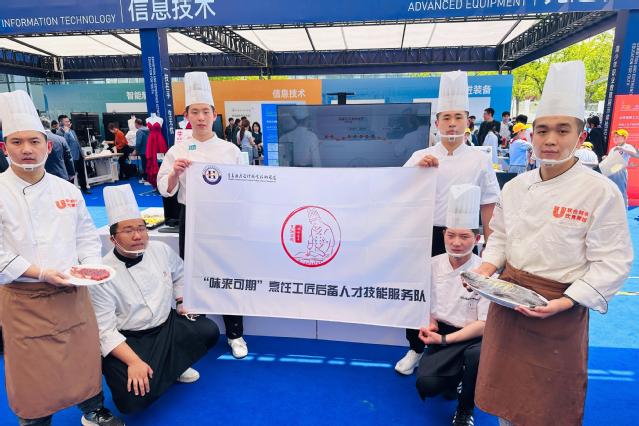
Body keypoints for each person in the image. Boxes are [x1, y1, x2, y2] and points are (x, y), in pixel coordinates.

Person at [472, 61, 632, 426]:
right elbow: (500, 237)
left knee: (548, 403)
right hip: (508, 299)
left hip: (558, 308)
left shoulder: (599, 191)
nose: (550, 139)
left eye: (563, 130)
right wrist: (486, 269)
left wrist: (567, 301)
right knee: (506, 399)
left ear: (580, 136)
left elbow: (613, 261)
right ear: (532, 135)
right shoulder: (516, 187)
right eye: (543, 130)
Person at [0, 90, 124, 426]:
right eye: (17, 142)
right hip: (23, 297)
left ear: (48, 146)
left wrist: (89, 267)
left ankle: (93, 409)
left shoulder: (67, 190)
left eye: (34, 141)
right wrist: (40, 273)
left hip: (72, 291)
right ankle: (35, 420)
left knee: (82, 352)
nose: (26, 149)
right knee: (31, 368)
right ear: (4, 147)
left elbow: (85, 236)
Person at [397, 70, 500, 375]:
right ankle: (415, 348)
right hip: (424, 235)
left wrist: (491, 246)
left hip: (464, 237)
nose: (452, 123)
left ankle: (454, 349)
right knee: (420, 290)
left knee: (462, 294)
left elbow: (489, 204)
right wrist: (417, 171)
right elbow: (397, 193)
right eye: (446, 117)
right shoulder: (421, 155)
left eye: (458, 117)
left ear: (468, 121)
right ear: (437, 122)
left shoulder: (480, 159)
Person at [89, 185, 220, 414]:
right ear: (112, 238)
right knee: (132, 402)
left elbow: (180, 274)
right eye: (128, 230)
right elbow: (105, 331)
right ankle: (160, 368)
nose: (138, 235)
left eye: (141, 228)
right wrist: (134, 362)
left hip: (166, 325)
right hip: (129, 339)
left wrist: (181, 301)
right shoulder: (103, 273)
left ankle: (174, 367)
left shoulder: (160, 250)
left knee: (207, 330)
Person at [157, 71, 249, 359]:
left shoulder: (230, 150)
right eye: (194, 112)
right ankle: (196, 335)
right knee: (192, 275)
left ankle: (235, 334)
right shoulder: (178, 150)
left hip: (224, 220)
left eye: (205, 112)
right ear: (186, 116)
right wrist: (175, 173)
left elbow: (244, 189)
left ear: (214, 115)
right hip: (192, 218)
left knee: (229, 273)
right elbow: (165, 189)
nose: (200, 117)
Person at [416, 185, 488, 426]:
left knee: (476, 357)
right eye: (451, 235)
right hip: (442, 331)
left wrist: (444, 340)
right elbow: (421, 299)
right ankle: (456, 377)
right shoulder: (431, 264)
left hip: (473, 336)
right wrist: (429, 320)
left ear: (477, 239)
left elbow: (484, 324)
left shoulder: (484, 271)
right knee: (427, 385)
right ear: (443, 234)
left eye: (465, 237)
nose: (456, 243)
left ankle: (465, 410)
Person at [57, 114, 91, 194]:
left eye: (69, 121)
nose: (69, 123)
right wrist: (66, 133)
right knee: (71, 176)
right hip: (70, 158)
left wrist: (82, 154)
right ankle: (70, 192)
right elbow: (64, 144)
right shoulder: (59, 133)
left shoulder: (72, 131)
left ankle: (84, 188)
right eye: (66, 121)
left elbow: (77, 143)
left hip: (79, 156)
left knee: (82, 173)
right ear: (61, 123)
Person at [606, 128, 639, 207]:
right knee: (610, 191)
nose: (615, 138)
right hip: (610, 171)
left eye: (617, 136)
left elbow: (636, 155)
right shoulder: (613, 149)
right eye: (614, 136)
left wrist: (623, 149)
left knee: (621, 192)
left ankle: (624, 210)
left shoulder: (627, 146)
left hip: (620, 172)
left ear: (624, 138)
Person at [134, 118, 149, 184]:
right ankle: (149, 178)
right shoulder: (148, 130)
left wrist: (136, 150)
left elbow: (138, 143)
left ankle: (146, 179)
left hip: (143, 151)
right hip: (149, 150)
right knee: (148, 164)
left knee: (144, 165)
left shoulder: (139, 131)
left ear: (136, 124)